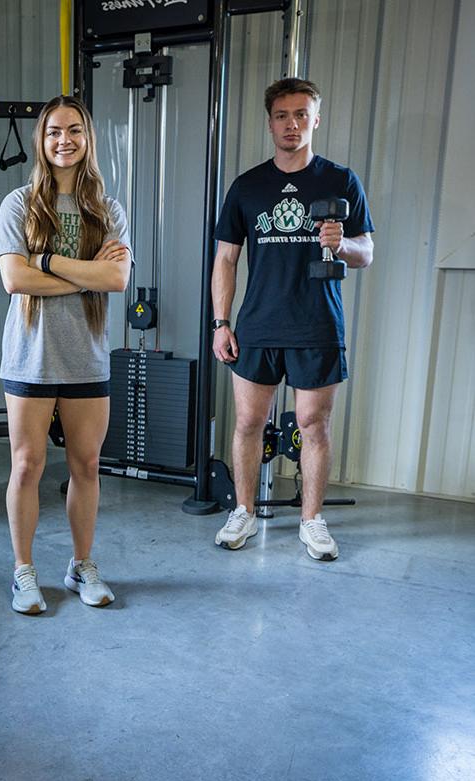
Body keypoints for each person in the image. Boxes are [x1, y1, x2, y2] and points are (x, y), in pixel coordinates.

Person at [211, 78, 374, 560]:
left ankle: (312, 521)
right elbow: (225, 259)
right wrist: (222, 322)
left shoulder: (341, 181)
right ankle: (241, 510)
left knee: (313, 424)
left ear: (315, 120)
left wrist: (340, 244)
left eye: (301, 114)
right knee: (247, 422)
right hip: (258, 323)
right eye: (282, 116)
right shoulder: (248, 186)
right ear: (270, 123)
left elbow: (366, 252)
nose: (291, 124)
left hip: (317, 323)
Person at [0, 95, 131, 615]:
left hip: (86, 357)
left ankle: (80, 566)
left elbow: (115, 278)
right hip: (30, 356)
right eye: (53, 132)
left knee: (86, 465)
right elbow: (13, 278)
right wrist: (80, 271)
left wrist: (45, 259)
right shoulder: (19, 204)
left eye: (73, 130)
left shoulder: (107, 210)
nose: (63, 140)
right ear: (40, 141)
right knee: (25, 466)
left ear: (87, 138)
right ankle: (24, 573)